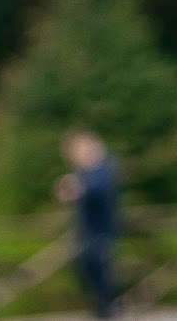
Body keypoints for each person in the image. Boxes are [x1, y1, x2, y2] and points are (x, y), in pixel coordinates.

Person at [53, 129, 122, 318]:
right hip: (88, 234)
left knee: (101, 274)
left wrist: (76, 188)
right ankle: (104, 309)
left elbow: (95, 189)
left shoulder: (103, 168)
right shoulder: (85, 172)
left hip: (102, 232)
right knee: (86, 272)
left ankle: (109, 310)